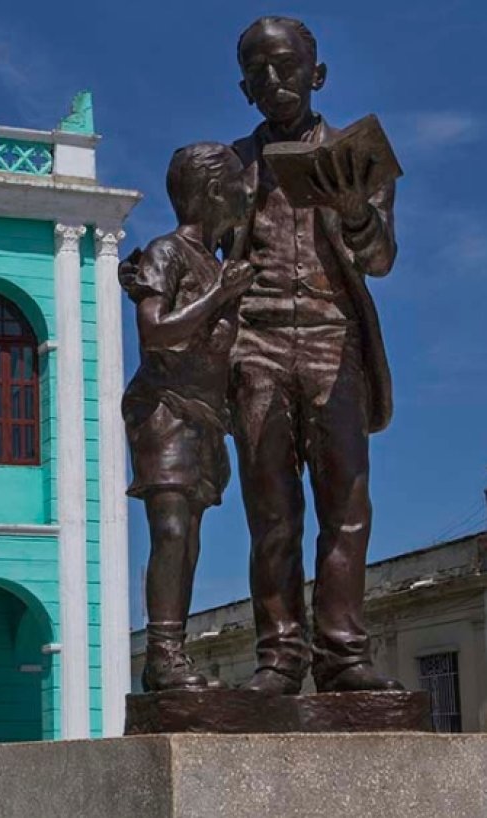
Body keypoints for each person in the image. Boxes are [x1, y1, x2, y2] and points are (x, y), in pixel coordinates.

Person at [226, 16, 401, 694]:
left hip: (335, 341)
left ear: (316, 72)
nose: (276, 79)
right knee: (271, 511)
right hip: (257, 343)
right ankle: (279, 656)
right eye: (260, 70)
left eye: (288, 65)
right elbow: (203, 251)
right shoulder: (230, 167)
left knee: (347, 503)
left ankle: (343, 653)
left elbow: (380, 258)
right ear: (244, 87)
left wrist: (356, 208)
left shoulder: (360, 154)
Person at [122, 141, 255, 691]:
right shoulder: (167, 252)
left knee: (190, 536)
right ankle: (162, 655)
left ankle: (169, 652)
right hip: (164, 408)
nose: (243, 196)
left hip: (205, 416)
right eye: (233, 187)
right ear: (209, 193)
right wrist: (219, 297)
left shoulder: (216, 260)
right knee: (172, 530)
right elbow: (155, 333)